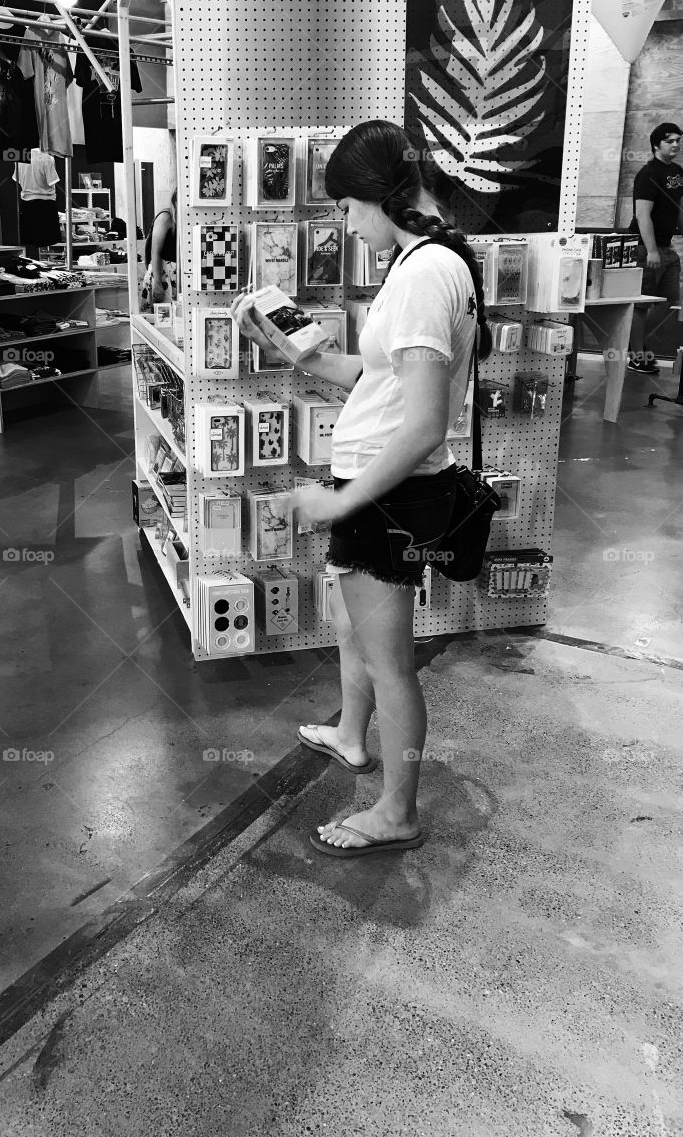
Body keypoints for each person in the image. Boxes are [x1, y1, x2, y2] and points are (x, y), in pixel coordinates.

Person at [231, 120, 490, 859]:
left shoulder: (422, 276)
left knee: (391, 664)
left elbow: (424, 425)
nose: (346, 224)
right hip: (378, 488)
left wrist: (341, 502)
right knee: (353, 631)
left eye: (346, 207)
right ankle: (351, 734)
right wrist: (291, 350)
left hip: (386, 496)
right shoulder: (424, 265)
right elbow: (373, 378)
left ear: (380, 197)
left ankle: (397, 811)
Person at [627, 122, 683, 375]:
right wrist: (651, 250)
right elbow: (643, 215)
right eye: (669, 141)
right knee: (640, 305)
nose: (675, 144)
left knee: (668, 300)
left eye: (677, 140)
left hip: (666, 248)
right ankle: (636, 354)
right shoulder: (648, 174)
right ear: (656, 145)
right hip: (644, 248)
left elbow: (680, 210)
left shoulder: (677, 171)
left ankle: (637, 343)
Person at [141, 191, 178, 310]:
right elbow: (155, 252)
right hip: (162, 273)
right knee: (160, 317)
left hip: (175, 275)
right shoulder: (166, 217)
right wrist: (157, 282)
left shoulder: (182, 218)